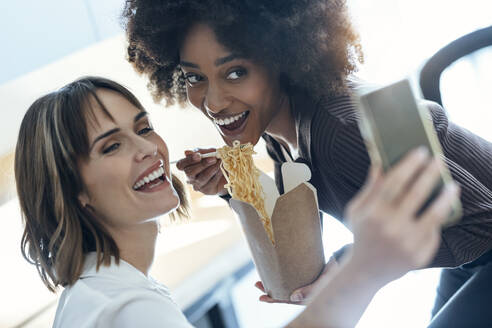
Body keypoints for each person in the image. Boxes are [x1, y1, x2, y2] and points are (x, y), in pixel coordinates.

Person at [122, 0, 492, 316]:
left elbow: (481, 226)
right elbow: (298, 224)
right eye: (194, 78)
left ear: (282, 60)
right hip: (473, 258)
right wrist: (232, 186)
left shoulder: (339, 132)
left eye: (236, 72)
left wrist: (352, 266)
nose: (213, 102)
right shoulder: (282, 135)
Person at [15, 76, 459, 328]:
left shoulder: (95, 292)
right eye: (111, 147)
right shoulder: (129, 309)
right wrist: (366, 268)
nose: (149, 149)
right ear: (73, 189)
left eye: (144, 128)